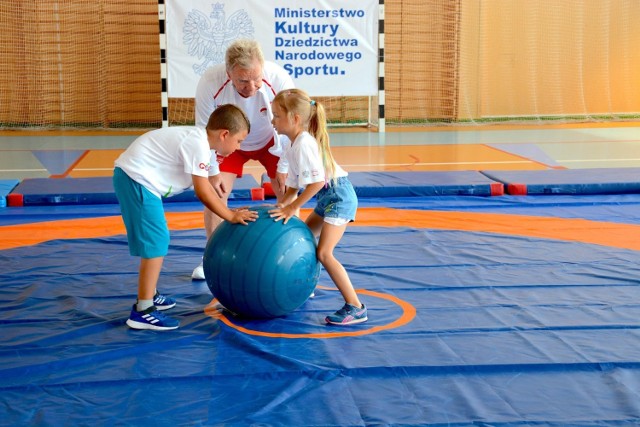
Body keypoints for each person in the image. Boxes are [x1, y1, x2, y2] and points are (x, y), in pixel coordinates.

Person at [113, 104, 258, 331]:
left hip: (136, 178)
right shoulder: (197, 144)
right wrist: (229, 215)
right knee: (156, 243)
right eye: (238, 141)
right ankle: (143, 309)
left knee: (157, 241)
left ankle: (149, 294)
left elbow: (209, 168)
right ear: (224, 134)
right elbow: (202, 191)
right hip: (136, 179)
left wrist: (215, 177)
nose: (238, 147)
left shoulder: (203, 141)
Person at [191, 39, 295, 280]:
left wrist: (285, 165)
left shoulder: (279, 79)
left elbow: (292, 130)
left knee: (287, 192)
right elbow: (204, 132)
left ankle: (290, 257)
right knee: (215, 193)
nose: (251, 87)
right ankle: (212, 258)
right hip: (228, 141)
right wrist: (213, 171)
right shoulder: (210, 82)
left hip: (272, 138)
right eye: (243, 81)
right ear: (228, 74)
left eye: (256, 79)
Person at [268, 89, 367, 326]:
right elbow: (292, 186)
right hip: (327, 197)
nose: (273, 121)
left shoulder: (304, 144)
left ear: (295, 118)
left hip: (338, 196)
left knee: (324, 252)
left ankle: (355, 307)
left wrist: (292, 209)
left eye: (277, 116)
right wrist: (280, 207)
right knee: (303, 238)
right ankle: (304, 286)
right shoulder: (292, 145)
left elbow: (315, 183)